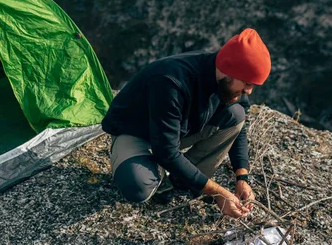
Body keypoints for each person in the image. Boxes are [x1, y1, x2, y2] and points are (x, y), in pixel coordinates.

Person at [102, 28, 271, 218]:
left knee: (235, 114)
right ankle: (160, 172)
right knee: (137, 187)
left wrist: (242, 176)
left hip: (176, 133)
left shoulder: (227, 83)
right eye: (247, 84)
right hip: (136, 132)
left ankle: (182, 180)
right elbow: (165, 151)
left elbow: (238, 127)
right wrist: (218, 193)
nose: (249, 91)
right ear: (229, 71)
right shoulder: (171, 81)